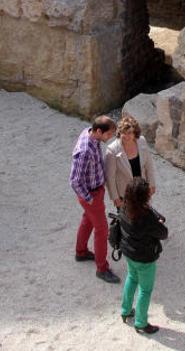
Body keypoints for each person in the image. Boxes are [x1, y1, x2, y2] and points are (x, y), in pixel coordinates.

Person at [70, 116, 119, 283]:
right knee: (102, 229)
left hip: (95, 192)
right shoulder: (85, 151)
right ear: (99, 131)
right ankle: (102, 268)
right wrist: (89, 199)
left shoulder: (90, 133)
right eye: (109, 134)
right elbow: (75, 180)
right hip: (91, 195)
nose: (110, 137)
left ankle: (81, 252)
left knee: (88, 220)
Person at [119, 177, 167, 335]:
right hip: (145, 258)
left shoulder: (124, 207)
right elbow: (163, 233)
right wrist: (158, 221)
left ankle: (125, 310)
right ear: (143, 197)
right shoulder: (147, 217)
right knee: (145, 290)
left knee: (131, 278)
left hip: (129, 253)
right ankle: (140, 322)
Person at [104, 115, 157, 209]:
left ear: (135, 133)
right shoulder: (112, 150)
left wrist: (151, 184)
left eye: (129, 133)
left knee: (145, 216)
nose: (126, 136)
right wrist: (116, 199)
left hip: (141, 189)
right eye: (123, 133)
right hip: (125, 193)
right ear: (119, 133)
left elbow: (149, 166)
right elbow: (110, 177)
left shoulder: (141, 141)